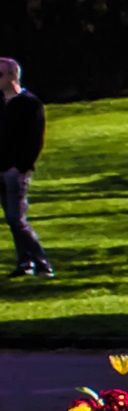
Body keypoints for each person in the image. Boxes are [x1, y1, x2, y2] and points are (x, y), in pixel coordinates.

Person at [0, 58, 48, 278]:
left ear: (12, 76)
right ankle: (25, 262)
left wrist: (21, 167)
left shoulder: (29, 104)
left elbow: (34, 141)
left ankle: (41, 262)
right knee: (12, 218)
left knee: (15, 217)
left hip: (16, 170)